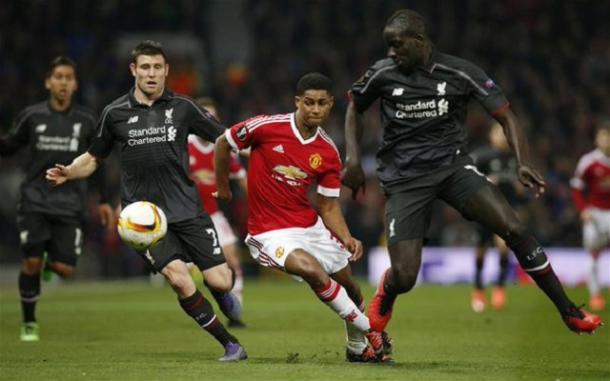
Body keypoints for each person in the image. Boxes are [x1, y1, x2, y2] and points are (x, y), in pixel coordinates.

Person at [341, 9, 603, 338]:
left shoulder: (460, 72)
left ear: (419, 40)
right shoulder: (382, 73)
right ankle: (388, 292)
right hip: (404, 178)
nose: (391, 52)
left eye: (397, 45)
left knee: (514, 227)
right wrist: (352, 159)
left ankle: (569, 311)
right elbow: (354, 107)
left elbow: (507, 117)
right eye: (388, 46)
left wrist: (522, 160)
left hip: (453, 169)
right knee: (405, 276)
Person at [46, 41, 247, 362]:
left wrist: (263, 149)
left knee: (219, 280)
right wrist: (69, 171)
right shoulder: (114, 113)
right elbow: (94, 157)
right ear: (134, 70)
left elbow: (226, 138)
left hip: (189, 209)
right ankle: (230, 344)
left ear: (166, 71)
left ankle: (223, 296)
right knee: (179, 280)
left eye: (157, 67)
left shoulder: (184, 107)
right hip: (145, 218)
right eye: (145, 67)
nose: (151, 74)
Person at [215, 73, 391, 362]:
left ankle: (357, 349)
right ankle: (371, 330)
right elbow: (224, 142)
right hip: (268, 233)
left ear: (330, 104)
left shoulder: (328, 152)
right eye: (308, 102)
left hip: (310, 227)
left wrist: (346, 237)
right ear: (297, 102)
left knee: (351, 286)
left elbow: (328, 205)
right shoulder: (267, 127)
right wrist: (224, 188)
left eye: (322, 103)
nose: (315, 109)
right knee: (311, 270)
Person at [0, 56, 114, 342]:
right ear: (48, 82)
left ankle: (54, 261)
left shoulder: (87, 120)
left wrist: (102, 200)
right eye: (58, 77)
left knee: (64, 270)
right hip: (34, 200)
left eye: (68, 78)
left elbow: (96, 160)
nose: (63, 82)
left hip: (70, 203)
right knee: (31, 264)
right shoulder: (32, 116)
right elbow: (10, 146)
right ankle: (29, 323)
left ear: (75, 85)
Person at [189, 96, 247, 326]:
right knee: (186, 275)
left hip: (213, 215)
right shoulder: (184, 145)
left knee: (233, 259)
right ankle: (203, 314)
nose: (207, 120)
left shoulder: (222, 148)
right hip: (186, 217)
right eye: (203, 115)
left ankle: (236, 314)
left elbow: (243, 180)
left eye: (211, 116)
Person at [469, 122, 530, 312]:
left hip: (505, 211)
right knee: (481, 250)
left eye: (505, 133)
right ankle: (478, 289)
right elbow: (467, 179)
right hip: (483, 210)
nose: (502, 136)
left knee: (503, 248)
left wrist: (522, 189)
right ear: (491, 136)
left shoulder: (515, 159)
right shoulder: (481, 156)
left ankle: (499, 289)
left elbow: (524, 188)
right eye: (498, 132)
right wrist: (485, 181)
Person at [570, 121, 610, 311]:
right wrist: (583, 209)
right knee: (593, 253)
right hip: (595, 214)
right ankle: (595, 295)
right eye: (603, 136)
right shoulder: (589, 161)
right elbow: (576, 187)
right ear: (597, 139)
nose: (607, 140)